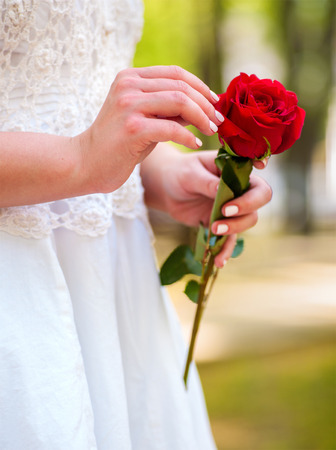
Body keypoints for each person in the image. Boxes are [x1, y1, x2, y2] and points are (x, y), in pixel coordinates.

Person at [0, 1, 272, 449]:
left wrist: (162, 173)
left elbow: (80, 95)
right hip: (17, 287)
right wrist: (79, 161)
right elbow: (79, 145)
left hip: (117, 289)